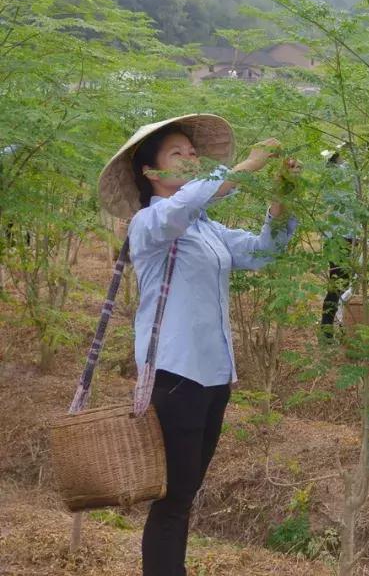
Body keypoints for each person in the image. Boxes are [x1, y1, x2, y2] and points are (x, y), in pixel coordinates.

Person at [98, 114, 299, 576]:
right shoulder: (149, 223)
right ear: (151, 173)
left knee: (184, 496)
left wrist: (280, 200)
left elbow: (262, 252)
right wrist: (247, 165)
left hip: (212, 378)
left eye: (193, 152)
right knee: (172, 501)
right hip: (175, 377)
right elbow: (185, 204)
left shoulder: (205, 228)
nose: (190, 159)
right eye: (177, 153)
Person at [318, 143, 358, 343]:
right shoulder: (339, 173)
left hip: (346, 236)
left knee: (344, 284)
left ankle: (337, 328)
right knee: (338, 285)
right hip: (340, 237)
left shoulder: (340, 173)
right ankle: (328, 331)